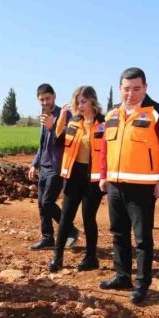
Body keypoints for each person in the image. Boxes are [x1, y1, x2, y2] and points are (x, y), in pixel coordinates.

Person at [98, 67, 159, 304]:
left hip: (142, 187)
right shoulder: (111, 114)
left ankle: (142, 284)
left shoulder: (158, 113)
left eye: (136, 89)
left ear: (145, 88)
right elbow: (105, 148)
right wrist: (103, 175)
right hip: (114, 185)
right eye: (126, 89)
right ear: (120, 88)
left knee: (142, 238)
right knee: (118, 233)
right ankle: (122, 276)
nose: (130, 94)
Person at [48, 86, 105, 272]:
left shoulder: (103, 124)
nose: (79, 105)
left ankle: (91, 257)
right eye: (77, 102)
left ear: (92, 102)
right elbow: (58, 142)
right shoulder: (73, 122)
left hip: (93, 179)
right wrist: (59, 123)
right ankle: (58, 257)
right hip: (73, 177)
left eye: (83, 102)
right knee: (66, 217)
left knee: (89, 218)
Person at [27, 84, 78, 251]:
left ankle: (70, 229)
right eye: (41, 99)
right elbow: (42, 145)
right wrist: (35, 163)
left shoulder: (65, 114)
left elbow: (65, 140)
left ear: (54, 96)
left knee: (48, 202)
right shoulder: (44, 115)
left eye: (47, 98)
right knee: (42, 204)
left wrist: (52, 127)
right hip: (44, 165)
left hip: (58, 166)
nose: (45, 102)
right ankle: (47, 238)